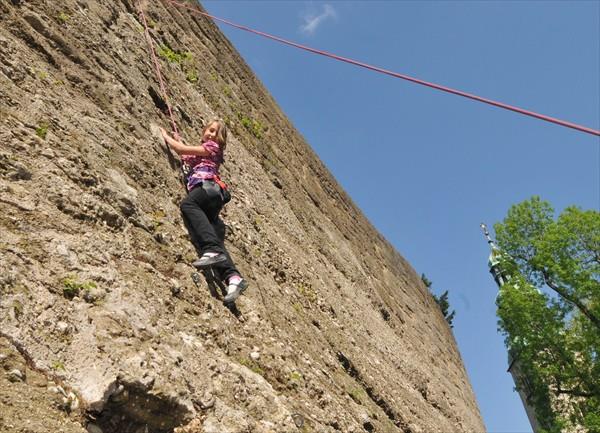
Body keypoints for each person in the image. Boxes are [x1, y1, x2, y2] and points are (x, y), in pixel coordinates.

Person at [160, 119, 247, 304]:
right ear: (204, 131)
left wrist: (167, 137)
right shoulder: (203, 153)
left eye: (216, 132)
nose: (211, 134)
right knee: (212, 234)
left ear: (220, 138)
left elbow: (182, 150)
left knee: (188, 206)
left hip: (208, 189)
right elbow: (186, 155)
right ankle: (232, 277)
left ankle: (211, 251)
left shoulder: (213, 147)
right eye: (210, 130)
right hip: (210, 198)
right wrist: (180, 140)